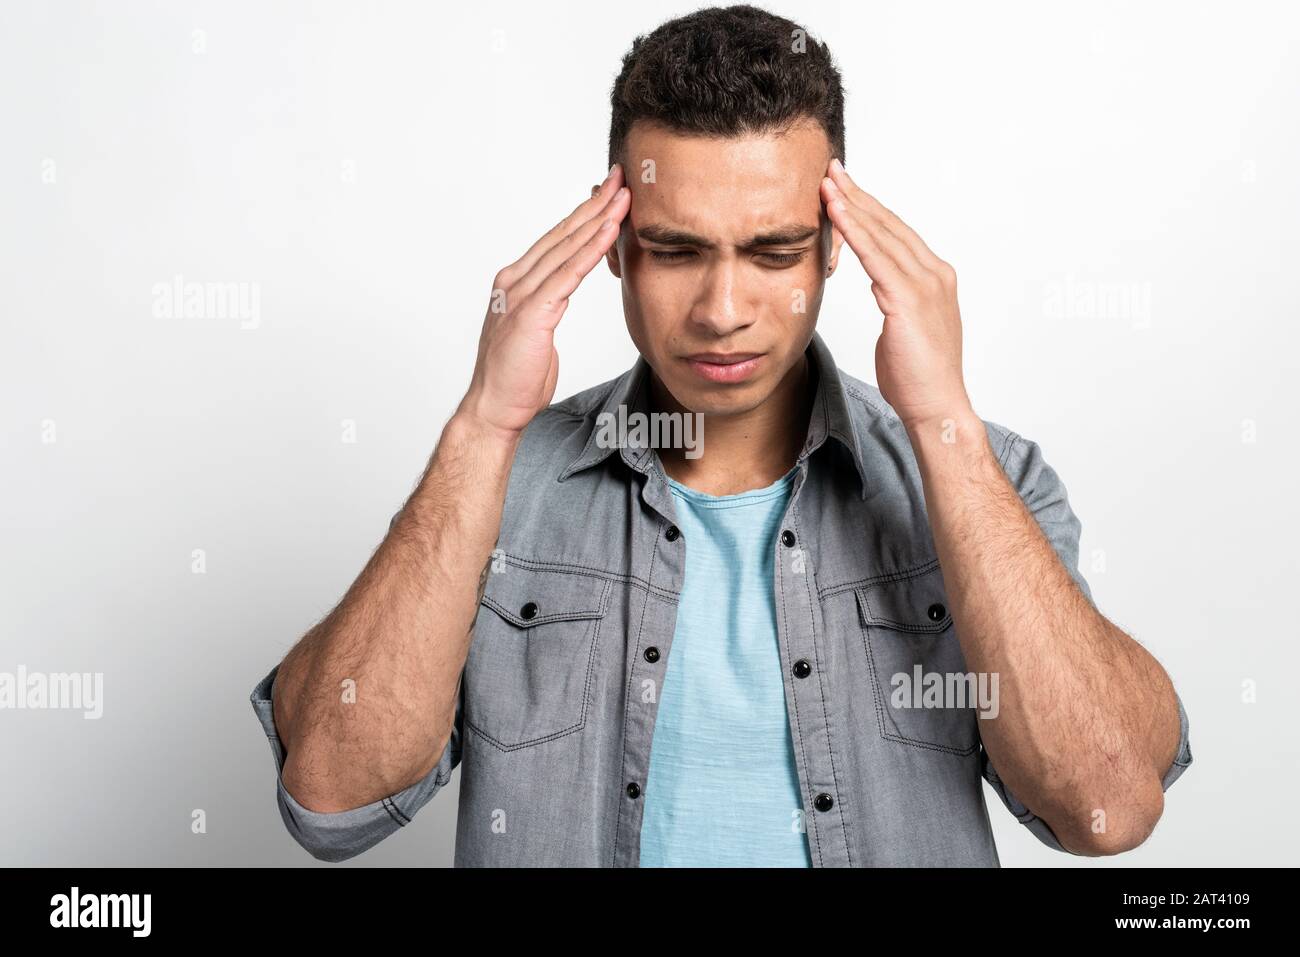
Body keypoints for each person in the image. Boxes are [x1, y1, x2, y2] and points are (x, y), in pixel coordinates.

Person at [250, 4, 1191, 867]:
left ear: (835, 246)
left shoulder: (989, 477)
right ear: (613, 243)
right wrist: (483, 427)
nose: (723, 310)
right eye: (676, 251)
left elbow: (1105, 804)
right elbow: (332, 797)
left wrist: (941, 422)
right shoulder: (496, 488)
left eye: (774, 252)